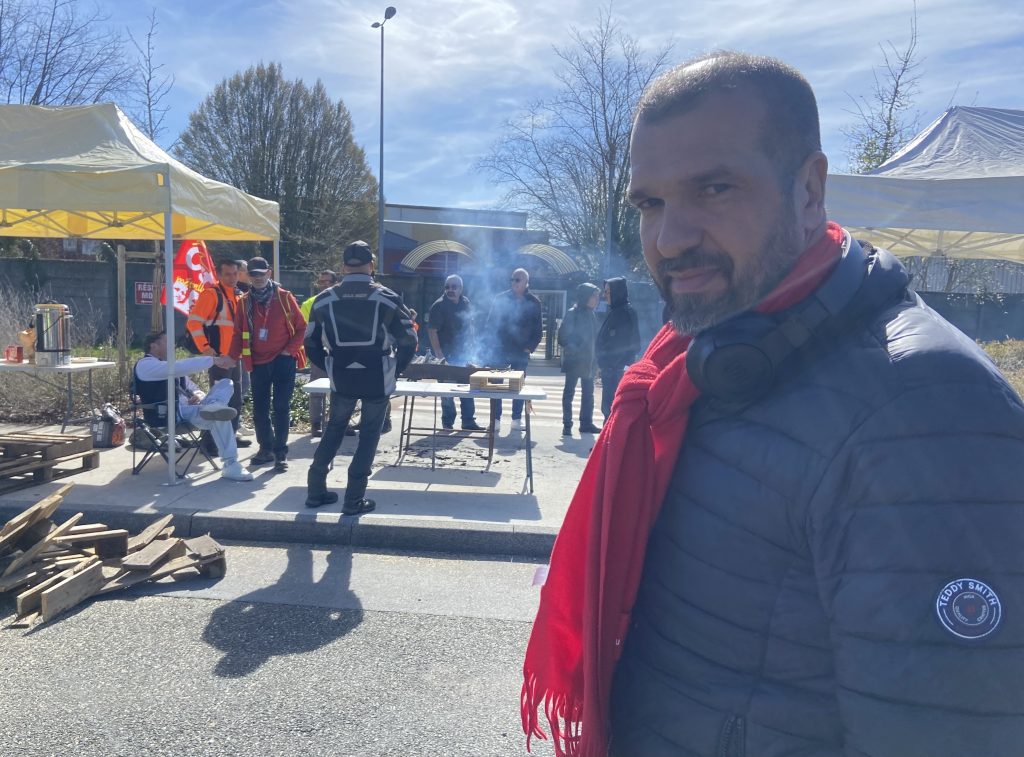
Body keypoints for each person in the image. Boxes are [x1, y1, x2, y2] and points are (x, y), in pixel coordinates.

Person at [522, 52, 1024, 757]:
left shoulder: (926, 406)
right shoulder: (706, 355)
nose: (669, 238)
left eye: (716, 188)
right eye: (650, 203)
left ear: (810, 190)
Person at [304, 240, 418, 514]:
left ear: (344, 266)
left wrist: (330, 366)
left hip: (342, 374)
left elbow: (310, 343)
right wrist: (396, 368)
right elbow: (409, 340)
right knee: (368, 435)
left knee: (333, 430)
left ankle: (315, 491)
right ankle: (353, 500)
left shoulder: (324, 299)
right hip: (376, 374)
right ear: (372, 266)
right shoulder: (387, 297)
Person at [133, 331, 253, 482]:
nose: (173, 346)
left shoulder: (171, 367)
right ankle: (231, 464)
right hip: (167, 415)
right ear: (153, 346)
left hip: (191, 412)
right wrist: (213, 360)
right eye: (167, 342)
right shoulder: (145, 365)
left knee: (226, 384)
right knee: (219, 416)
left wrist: (199, 396)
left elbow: (194, 387)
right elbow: (178, 367)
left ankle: (213, 407)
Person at [229, 256, 306, 474]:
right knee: (260, 409)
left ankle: (281, 454)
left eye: (261, 274)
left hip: (283, 361)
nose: (258, 278)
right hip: (257, 362)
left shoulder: (284, 298)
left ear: (269, 273)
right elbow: (237, 334)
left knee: (281, 407)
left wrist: (288, 351)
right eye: (253, 274)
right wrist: (231, 357)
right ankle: (266, 449)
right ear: (249, 276)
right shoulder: (244, 302)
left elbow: (301, 328)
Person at [185, 258, 251, 454]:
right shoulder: (211, 295)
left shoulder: (238, 295)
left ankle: (228, 439)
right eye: (228, 274)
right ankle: (210, 443)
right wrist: (206, 349)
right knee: (217, 403)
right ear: (219, 276)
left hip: (233, 357)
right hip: (220, 358)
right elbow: (193, 323)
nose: (232, 278)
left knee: (235, 400)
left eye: (235, 273)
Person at [484, 267, 543, 431]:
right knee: (496, 385)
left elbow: (538, 330)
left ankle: (516, 419)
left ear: (526, 282)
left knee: (518, 386)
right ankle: (495, 420)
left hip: (521, 351)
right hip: (500, 350)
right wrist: (492, 345)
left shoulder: (534, 301)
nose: (514, 283)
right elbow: (490, 324)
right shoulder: (500, 299)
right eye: (512, 279)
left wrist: (529, 348)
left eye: (517, 280)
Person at [427, 274, 484, 431]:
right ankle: (447, 422)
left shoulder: (465, 302)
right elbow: (432, 331)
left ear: (461, 288)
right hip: (446, 355)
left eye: (454, 287)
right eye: (447, 287)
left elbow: (470, 324)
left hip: (464, 354)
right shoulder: (438, 306)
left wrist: (472, 345)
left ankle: (468, 421)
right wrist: (439, 355)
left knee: (467, 389)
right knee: (447, 392)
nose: (450, 290)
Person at [557, 283, 602, 436]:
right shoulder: (573, 313)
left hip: (589, 362)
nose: (597, 299)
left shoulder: (592, 314)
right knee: (569, 393)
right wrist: (575, 349)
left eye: (597, 296)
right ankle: (567, 425)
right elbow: (562, 337)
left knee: (588, 394)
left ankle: (586, 424)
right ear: (585, 296)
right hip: (575, 361)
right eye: (594, 296)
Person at [301, 269, 340, 438]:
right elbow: (305, 331)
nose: (323, 285)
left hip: (339, 352)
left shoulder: (341, 300)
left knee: (340, 389)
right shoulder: (309, 303)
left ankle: (337, 422)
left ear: (335, 282)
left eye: (328, 282)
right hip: (319, 351)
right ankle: (316, 424)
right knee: (317, 389)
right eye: (321, 282)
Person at [595, 277, 640, 420]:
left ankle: (611, 442)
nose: (604, 295)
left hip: (616, 370)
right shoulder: (617, 311)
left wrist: (609, 365)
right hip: (612, 370)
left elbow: (622, 345)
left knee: (612, 410)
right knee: (609, 409)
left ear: (617, 292)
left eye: (608, 292)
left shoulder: (623, 313)